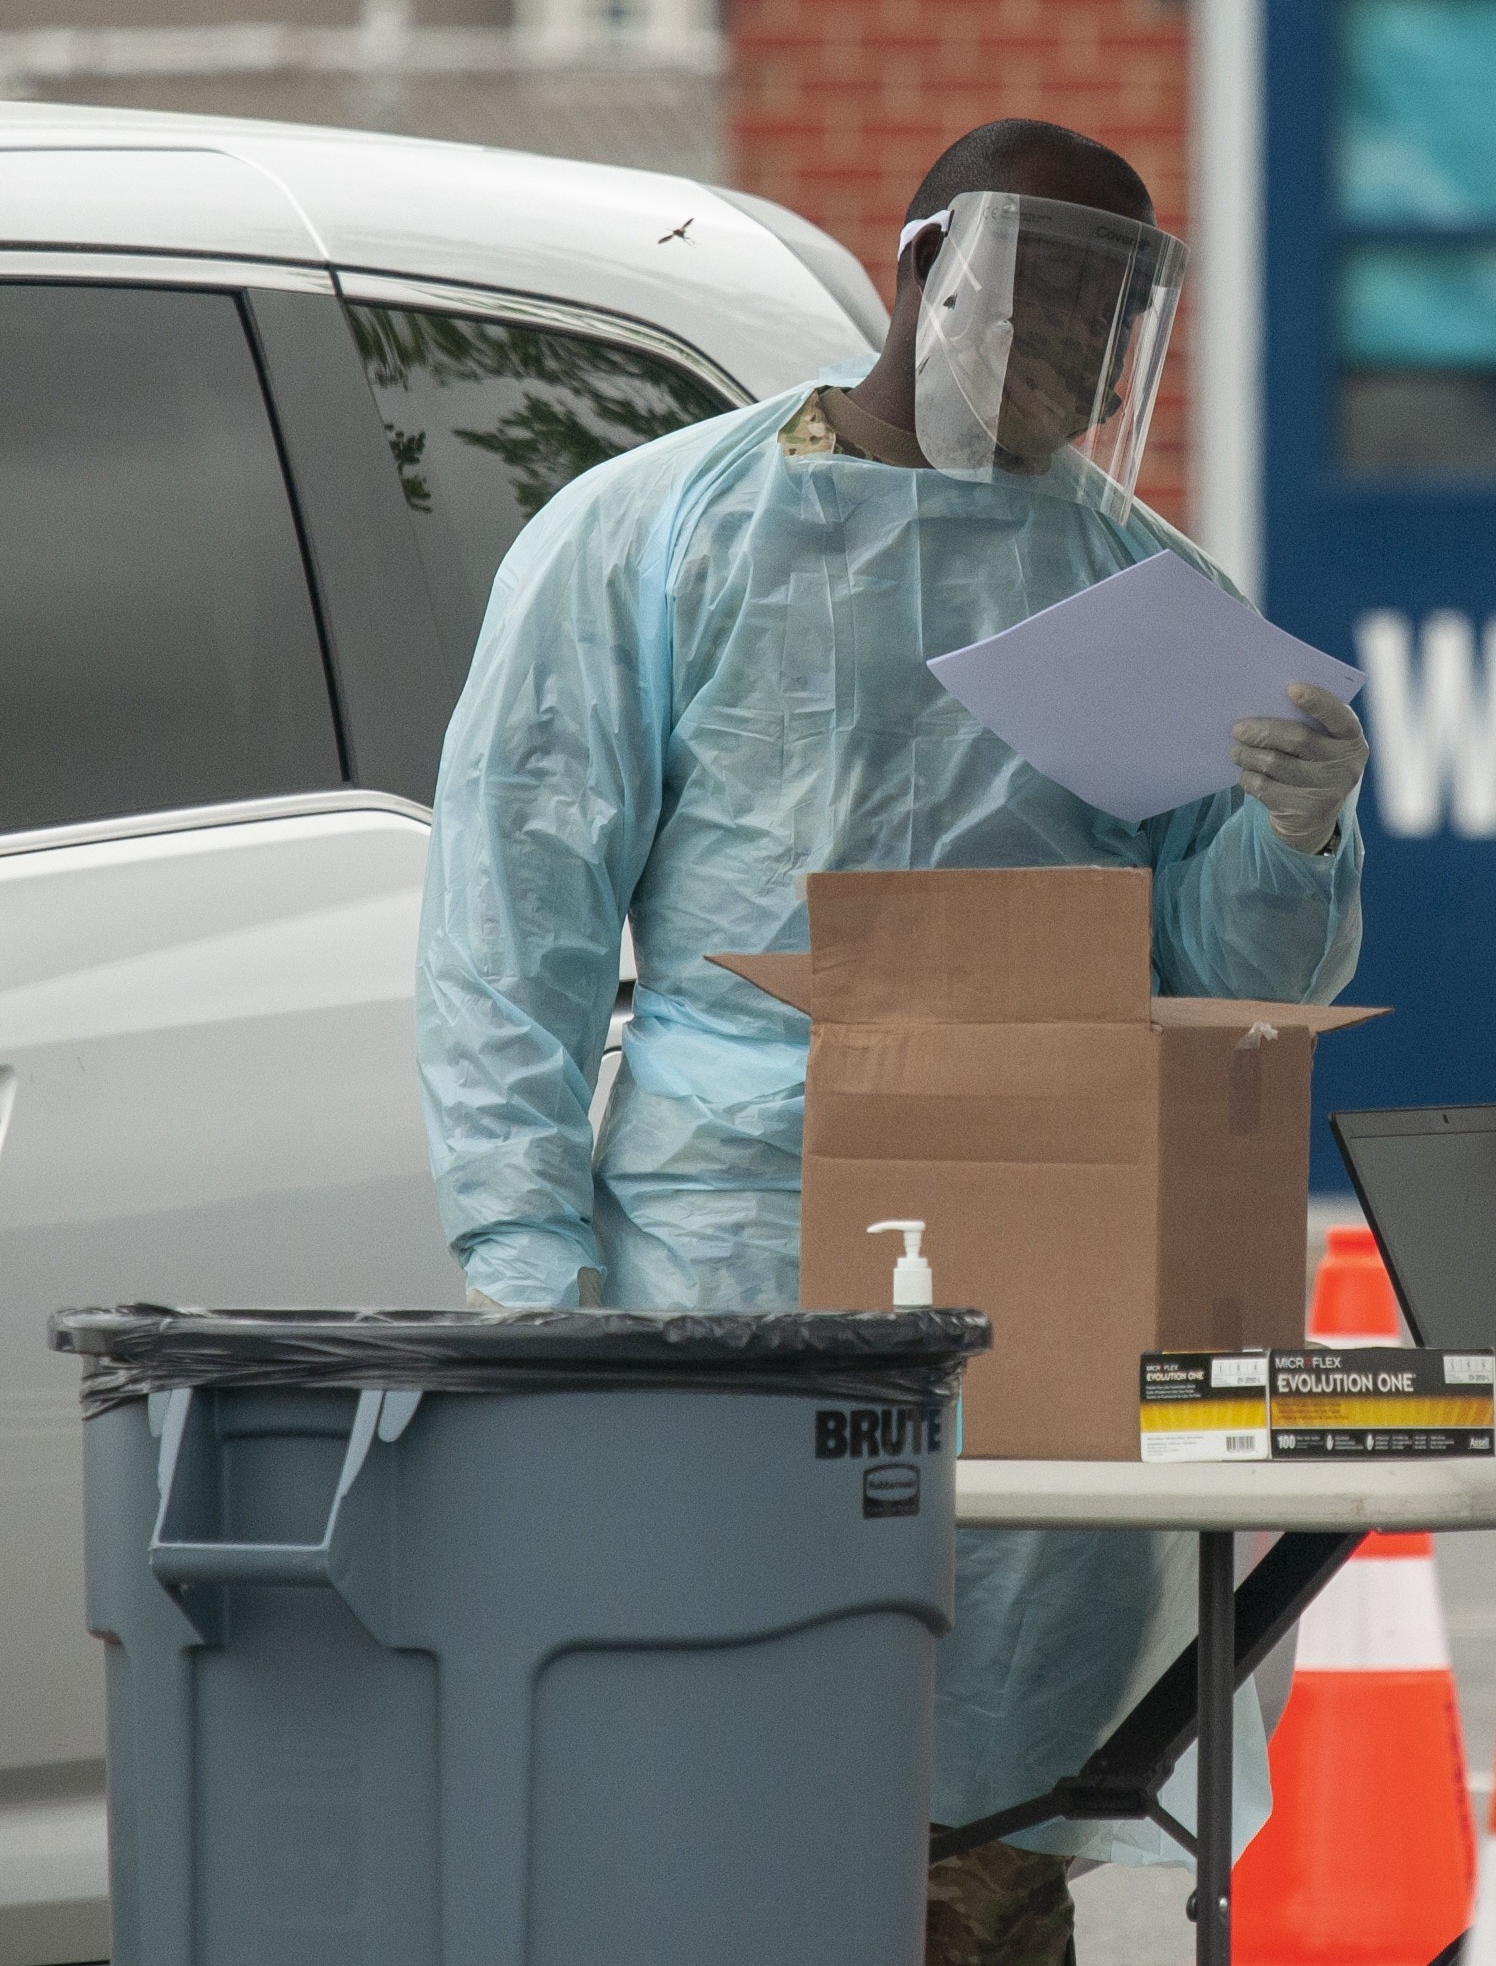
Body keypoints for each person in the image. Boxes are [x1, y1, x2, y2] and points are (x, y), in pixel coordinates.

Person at [416, 119, 1369, 1966]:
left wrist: (1296, 827)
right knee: (720, 1819)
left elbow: (1227, 978)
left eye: (1115, 324)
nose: (1082, 361)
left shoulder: (1139, 590)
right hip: (724, 1273)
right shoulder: (655, 535)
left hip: (1047, 1277)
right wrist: (525, 1275)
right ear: (927, 267)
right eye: (1051, 303)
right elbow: (512, 927)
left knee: (987, 1848)